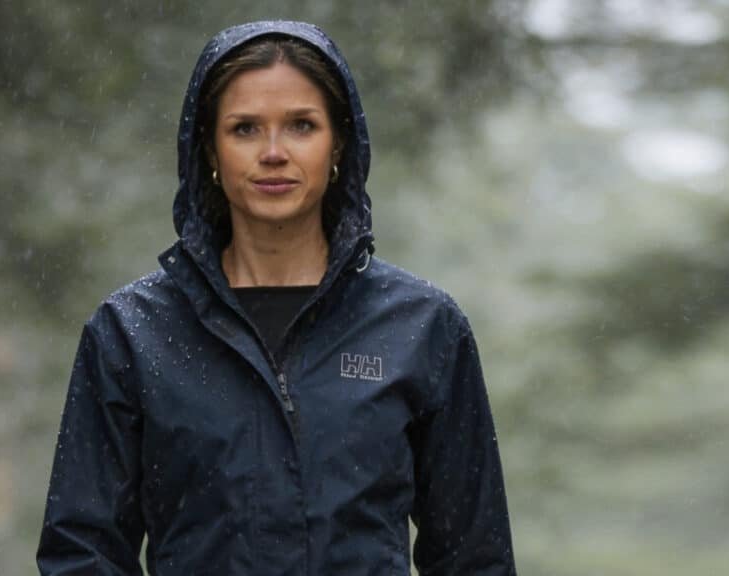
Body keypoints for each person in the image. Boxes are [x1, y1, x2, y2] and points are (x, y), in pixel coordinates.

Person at [37, 20, 515, 575]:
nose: (272, 152)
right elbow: (84, 552)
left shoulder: (422, 326)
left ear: (339, 144)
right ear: (208, 149)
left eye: (301, 126)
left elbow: (473, 557)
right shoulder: (132, 331)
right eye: (244, 128)